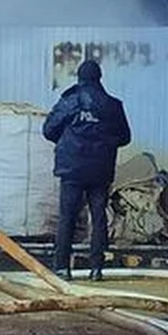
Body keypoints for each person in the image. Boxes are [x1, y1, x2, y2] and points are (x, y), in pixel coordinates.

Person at [42, 59, 132, 281]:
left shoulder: (69, 101)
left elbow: (48, 130)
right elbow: (125, 138)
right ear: (99, 77)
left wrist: (69, 140)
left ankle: (62, 267)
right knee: (99, 217)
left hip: (71, 168)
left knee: (68, 218)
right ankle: (96, 269)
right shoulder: (113, 105)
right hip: (100, 169)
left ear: (79, 78)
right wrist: (104, 142)